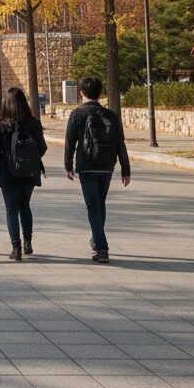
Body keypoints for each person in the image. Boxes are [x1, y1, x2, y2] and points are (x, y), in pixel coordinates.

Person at [64, 76, 131, 263]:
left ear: (81, 93)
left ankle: (102, 248)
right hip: (107, 166)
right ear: (99, 93)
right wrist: (126, 169)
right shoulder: (110, 115)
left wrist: (68, 166)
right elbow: (120, 143)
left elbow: (70, 142)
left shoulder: (77, 114)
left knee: (93, 206)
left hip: (86, 166)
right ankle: (96, 237)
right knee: (100, 204)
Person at [0, 86, 47, 260]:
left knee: (11, 210)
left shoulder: (1, 125)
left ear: (6, 103)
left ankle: (16, 247)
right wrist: (29, 159)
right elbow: (42, 147)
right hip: (29, 171)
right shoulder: (34, 123)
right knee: (25, 205)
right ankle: (28, 241)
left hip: (8, 172)